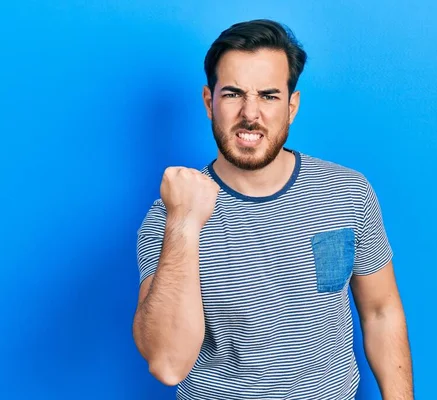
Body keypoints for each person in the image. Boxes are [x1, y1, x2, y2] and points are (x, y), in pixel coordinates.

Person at [132, 19, 413, 400]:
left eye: (268, 95)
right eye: (232, 94)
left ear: (292, 106)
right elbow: (167, 363)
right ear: (208, 102)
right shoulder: (170, 217)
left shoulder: (347, 192)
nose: (250, 113)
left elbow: (381, 312)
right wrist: (184, 222)